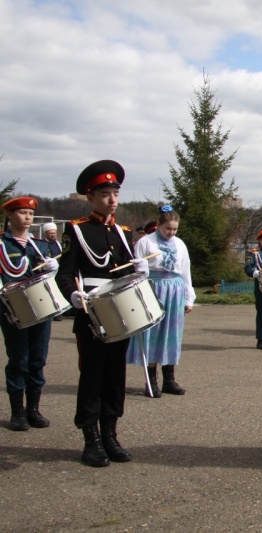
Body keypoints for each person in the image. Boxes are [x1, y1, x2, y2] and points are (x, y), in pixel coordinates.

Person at [56, 160, 150, 467]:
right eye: (105, 193)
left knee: (115, 377)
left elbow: (128, 272)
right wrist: (73, 293)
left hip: (119, 311)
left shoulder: (123, 233)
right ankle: (91, 439)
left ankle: (111, 434)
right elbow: (65, 274)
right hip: (91, 313)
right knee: (92, 376)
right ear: (90, 197)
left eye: (115, 193)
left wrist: (140, 272)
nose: (112, 199)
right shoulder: (77, 230)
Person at [1, 197, 59, 431]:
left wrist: (52, 270)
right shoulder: (3, 245)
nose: (27, 218)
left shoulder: (40, 245)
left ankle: (33, 410)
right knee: (19, 359)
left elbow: (46, 278)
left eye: (30, 214)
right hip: (12, 309)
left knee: (38, 359)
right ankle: (17, 412)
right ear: (10, 216)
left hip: (40, 307)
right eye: (22, 213)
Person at [126, 205, 195, 397]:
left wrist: (189, 297)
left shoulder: (180, 244)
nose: (171, 232)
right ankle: (151, 381)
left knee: (171, 333)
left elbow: (185, 271)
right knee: (153, 334)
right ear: (158, 225)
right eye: (168, 229)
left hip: (174, 290)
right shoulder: (145, 242)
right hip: (153, 289)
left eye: (174, 229)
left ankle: (169, 380)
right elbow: (136, 271)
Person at [42, 222, 68, 321]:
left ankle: (60, 312)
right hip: (48, 273)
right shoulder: (43, 245)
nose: (53, 235)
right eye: (50, 233)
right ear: (46, 234)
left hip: (59, 271)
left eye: (54, 233)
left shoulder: (59, 244)